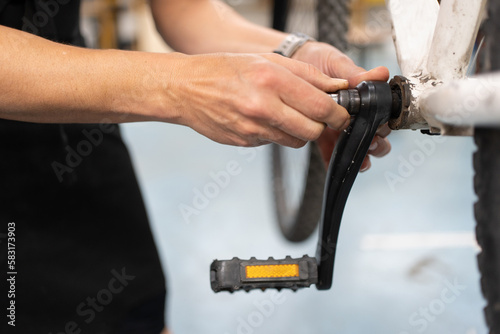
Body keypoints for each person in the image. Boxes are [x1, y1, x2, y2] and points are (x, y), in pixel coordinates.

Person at [0, 0, 391, 333]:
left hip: (76, 119)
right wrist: (179, 86)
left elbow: (185, 10)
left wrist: (292, 53)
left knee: (133, 311)